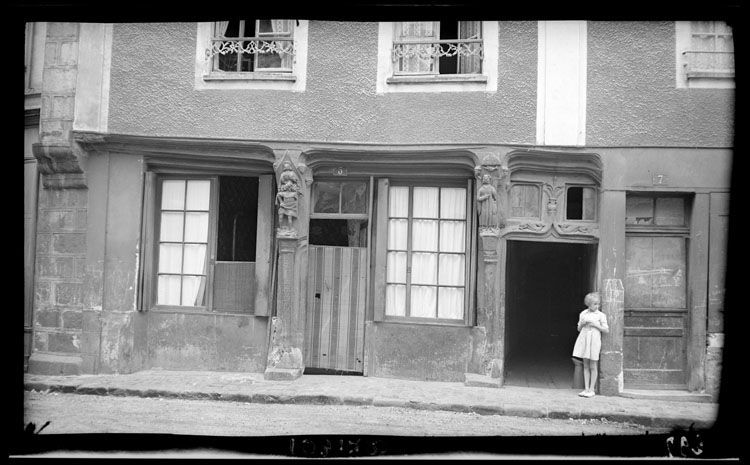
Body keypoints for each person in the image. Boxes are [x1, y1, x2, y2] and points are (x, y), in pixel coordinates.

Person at [572, 292, 609, 398]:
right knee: (586, 365)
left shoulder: (601, 315)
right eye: (594, 304)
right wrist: (583, 323)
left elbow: (606, 329)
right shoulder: (583, 314)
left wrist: (596, 325)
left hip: (594, 341)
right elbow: (579, 329)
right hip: (585, 340)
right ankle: (586, 388)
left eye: (598, 304)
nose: (597, 306)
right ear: (588, 304)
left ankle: (592, 389)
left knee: (593, 365)